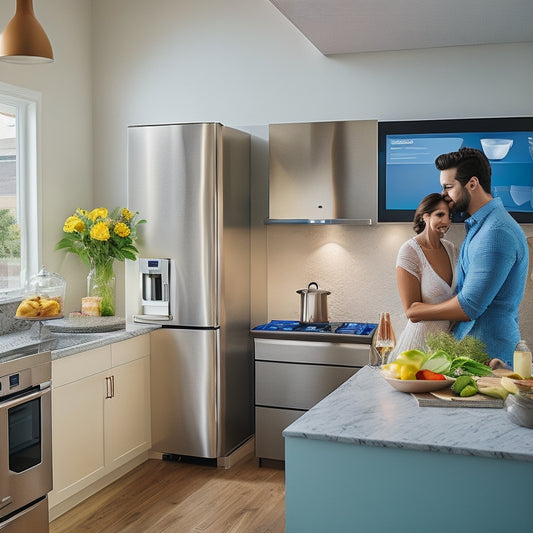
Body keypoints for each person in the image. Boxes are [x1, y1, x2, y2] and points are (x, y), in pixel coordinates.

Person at [407, 147, 529, 366]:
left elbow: (469, 306)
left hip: (491, 361)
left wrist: (416, 311)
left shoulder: (496, 232)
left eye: (448, 187)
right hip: (475, 357)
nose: (443, 195)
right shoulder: (481, 227)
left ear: (472, 183)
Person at [390, 193, 458, 360]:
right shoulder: (409, 252)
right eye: (440, 215)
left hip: (445, 351)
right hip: (416, 350)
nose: (447, 222)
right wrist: (454, 311)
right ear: (424, 216)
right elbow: (411, 311)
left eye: (449, 216)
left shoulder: (452, 250)